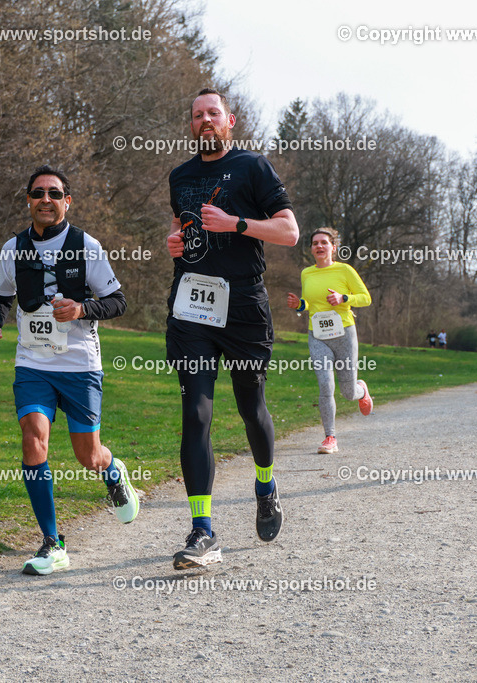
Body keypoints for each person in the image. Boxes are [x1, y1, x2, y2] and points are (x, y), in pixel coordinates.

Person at [165, 88, 299, 569]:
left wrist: (236, 224)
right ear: (191, 123)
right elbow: (192, 233)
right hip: (192, 307)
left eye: (213, 114)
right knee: (196, 412)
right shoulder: (179, 177)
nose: (205, 120)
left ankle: (265, 483)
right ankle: (202, 530)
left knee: (250, 406)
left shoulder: (252, 167)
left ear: (230, 121)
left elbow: (289, 232)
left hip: (242, 304)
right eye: (197, 114)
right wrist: (179, 243)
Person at [0, 165, 139, 576]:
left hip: (79, 364)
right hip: (33, 362)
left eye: (54, 194)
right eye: (38, 194)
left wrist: (84, 308)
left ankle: (113, 469)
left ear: (67, 201)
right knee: (34, 439)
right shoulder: (12, 249)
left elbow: (118, 301)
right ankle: (53, 543)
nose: (46, 200)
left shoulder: (87, 246)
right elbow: (0, 296)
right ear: (28, 201)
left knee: (88, 456)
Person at [286, 228, 373, 455]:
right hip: (318, 336)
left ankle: (361, 390)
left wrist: (344, 298)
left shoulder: (345, 270)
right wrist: (299, 305)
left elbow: (365, 298)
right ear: (311, 249)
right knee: (325, 385)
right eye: (315, 243)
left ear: (333, 247)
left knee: (347, 392)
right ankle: (330, 437)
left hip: (344, 334)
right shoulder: (307, 273)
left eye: (324, 242)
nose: (319, 246)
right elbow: (310, 304)